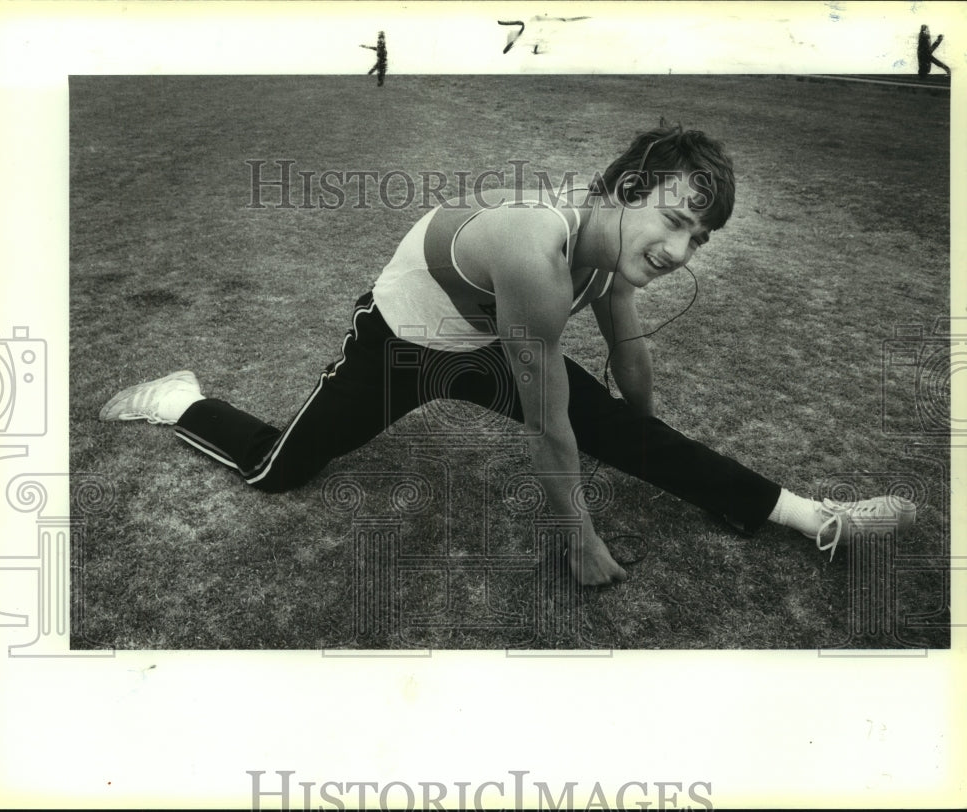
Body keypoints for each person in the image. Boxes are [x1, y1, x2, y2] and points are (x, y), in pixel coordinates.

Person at [99, 122, 916, 586]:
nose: (682, 249)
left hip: (492, 345)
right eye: (673, 220)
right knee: (281, 471)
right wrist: (580, 538)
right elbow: (548, 423)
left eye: (697, 238)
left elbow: (629, 354)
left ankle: (814, 516)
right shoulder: (537, 246)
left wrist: (650, 449)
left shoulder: (608, 257)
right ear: (628, 191)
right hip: (404, 346)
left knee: (624, 428)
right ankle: (180, 397)